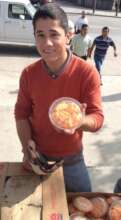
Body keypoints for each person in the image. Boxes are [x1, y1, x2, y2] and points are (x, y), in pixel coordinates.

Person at [14, 3, 104, 192]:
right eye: (41, 35)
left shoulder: (86, 72)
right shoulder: (29, 74)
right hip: (38, 155)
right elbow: (21, 114)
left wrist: (78, 121)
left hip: (71, 158)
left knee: (83, 201)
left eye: (54, 34)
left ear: (68, 36)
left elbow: (97, 118)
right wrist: (26, 146)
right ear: (35, 38)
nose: (47, 43)